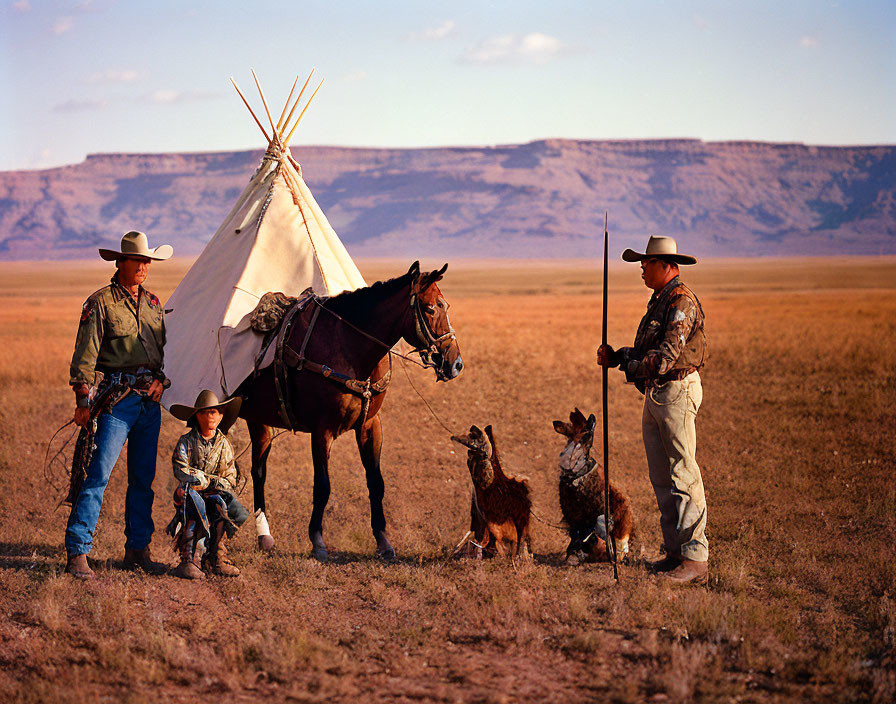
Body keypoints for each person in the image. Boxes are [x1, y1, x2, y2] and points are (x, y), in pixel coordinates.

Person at [597, 235, 709, 586]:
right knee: (661, 475)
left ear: (667, 266)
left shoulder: (681, 302)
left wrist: (627, 364)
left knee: (683, 473)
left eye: (647, 263)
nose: (642, 268)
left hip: (675, 391)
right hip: (658, 394)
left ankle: (695, 557)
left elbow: (664, 359)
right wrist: (618, 357)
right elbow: (651, 354)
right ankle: (675, 552)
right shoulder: (660, 300)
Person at [65, 230, 173, 579]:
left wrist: (161, 380)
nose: (144, 266)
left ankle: (137, 550)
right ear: (120, 262)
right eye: (138, 260)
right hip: (115, 402)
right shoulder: (100, 303)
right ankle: (78, 551)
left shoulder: (155, 304)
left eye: (147, 261)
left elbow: (162, 354)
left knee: (143, 479)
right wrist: (84, 401)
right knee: (97, 475)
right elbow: (85, 356)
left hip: (148, 403)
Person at [168, 390, 249, 579]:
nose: (210, 417)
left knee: (221, 505)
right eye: (205, 412)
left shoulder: (224, 445)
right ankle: (189, 559)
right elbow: (181, 469)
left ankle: (216, 557)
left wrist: (208, 482)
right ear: (197, 415)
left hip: (214, 492)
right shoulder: (186, 442)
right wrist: (206, 481)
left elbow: (229, 478)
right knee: (193, 502)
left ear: (221, 416)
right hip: (190, 493)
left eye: (214, 412)